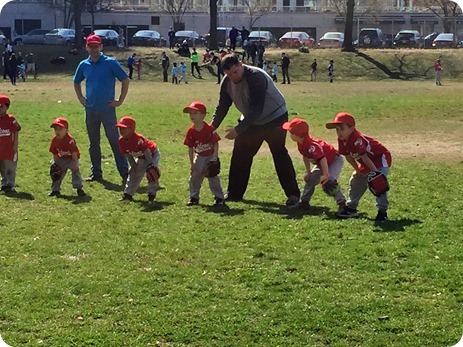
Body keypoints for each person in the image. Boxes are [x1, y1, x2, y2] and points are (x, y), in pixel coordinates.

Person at [211, 54, 300, 205]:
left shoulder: (256, 76)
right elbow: (222, 106)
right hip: (251, 120)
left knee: (279, 153)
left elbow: (256, 109)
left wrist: (238, 130)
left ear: (241, 64)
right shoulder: (227, 83)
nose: (233, 77)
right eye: (228, 74)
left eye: (235, 72)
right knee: (240, 154)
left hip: (274, 118)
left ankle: (293, 195)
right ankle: (234, 193)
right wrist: (211, 127)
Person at [73, 34, 129, 183]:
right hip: (90, 109)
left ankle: (125, 173)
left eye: (96, 46)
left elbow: (125, 79)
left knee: (114, 141)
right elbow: (76, 82)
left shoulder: (110, 63)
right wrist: (81, 98)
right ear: (87, 47)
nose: (93, 49)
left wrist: (120, 100)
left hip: (107, 109)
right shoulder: (84, 65)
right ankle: (96, 172)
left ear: (101, 47)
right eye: (91, 46)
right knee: (94, 143)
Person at [326, 112, 392, 221]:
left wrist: (376, 173)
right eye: (337, 130)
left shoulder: (357, 139)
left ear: (352, 128)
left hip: (380, 159)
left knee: (378, 183)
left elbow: (365, 157)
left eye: (342, 128)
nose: (339, 132)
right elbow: (348, 156)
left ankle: (382, 212)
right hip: (367, 162)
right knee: (355, 181)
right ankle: (351, 208)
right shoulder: (342, 139)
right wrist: (357, 170)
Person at [282, 118, 347, 214]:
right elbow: (305, 157)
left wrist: (326, 175)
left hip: (334, 161)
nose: (289, 135)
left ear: (296, 135)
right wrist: (309, 172)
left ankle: (342, 204)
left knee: (330, 182)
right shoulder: (301, 143)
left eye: (290, 132)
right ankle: (304, 202)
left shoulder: (312, 146)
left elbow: (323, 159)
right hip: (322, 163)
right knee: (311, 180)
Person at [183, 101, 225, 207]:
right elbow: (190, 148)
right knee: (195, 177)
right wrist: (192, 164)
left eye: (195, 113)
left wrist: (215, 157)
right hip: (199, 157)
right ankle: (194, 197)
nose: (192, 116)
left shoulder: (209, 129)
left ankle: (219, 198)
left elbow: (215, 143)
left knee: (213, 177)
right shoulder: (191, 131)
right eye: (190, 113)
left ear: (203, 115)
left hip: (210, 156)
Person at [116, 116, 160, 204]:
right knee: (133, 173)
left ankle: (152, 195)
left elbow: (147, 151)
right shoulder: (121, 141)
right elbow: (128, 154)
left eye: (124, 128)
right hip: (140, 156)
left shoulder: (138, 139)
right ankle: (128, 194)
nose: (121, 130)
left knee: (151, 173)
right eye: (120, 128)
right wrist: (133, 166)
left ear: (132, 129)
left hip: (152, 154)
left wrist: (150, 165)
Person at [48, 117, 86, 197]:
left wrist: (75, 163)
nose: (57, 131)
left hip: (71, 159)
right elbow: (55, 153)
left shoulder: (70, 140)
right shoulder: (55, 140)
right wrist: (56, 164)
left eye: (60, 129)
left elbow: (74, 153)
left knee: (75, 171)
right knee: (57, 172)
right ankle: (55, 190)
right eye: (56, 129)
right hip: (61, 158)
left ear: (66, 130)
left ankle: (79, 189)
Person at [0, 94, 20, 194]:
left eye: (1, 107)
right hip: (0, 149)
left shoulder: (11, 119)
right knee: (2, 167)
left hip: (9, 149)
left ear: (7, 107)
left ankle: (10, 184)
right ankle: (4, 183)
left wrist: (15, 144)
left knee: (10, 167)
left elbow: (16, 131)